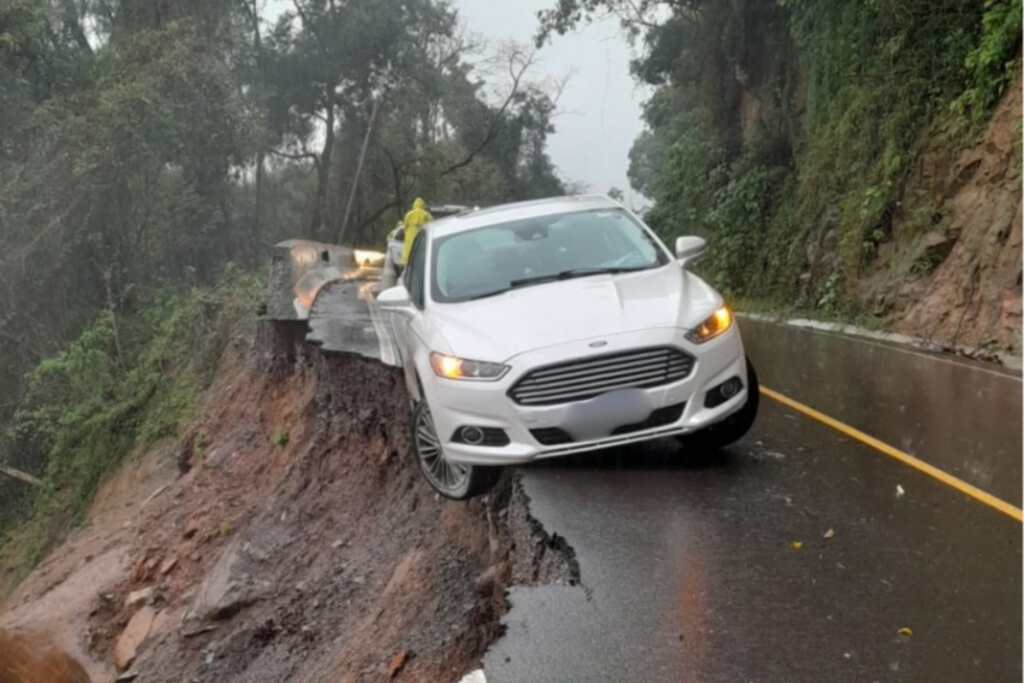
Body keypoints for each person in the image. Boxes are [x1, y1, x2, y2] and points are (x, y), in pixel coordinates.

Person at [400, 197, 433, 267]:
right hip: (422, 243)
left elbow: (404, 227)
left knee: (407, 262)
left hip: (408, 243)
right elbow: (433, 227)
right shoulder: (427, 215)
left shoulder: (409, 215)